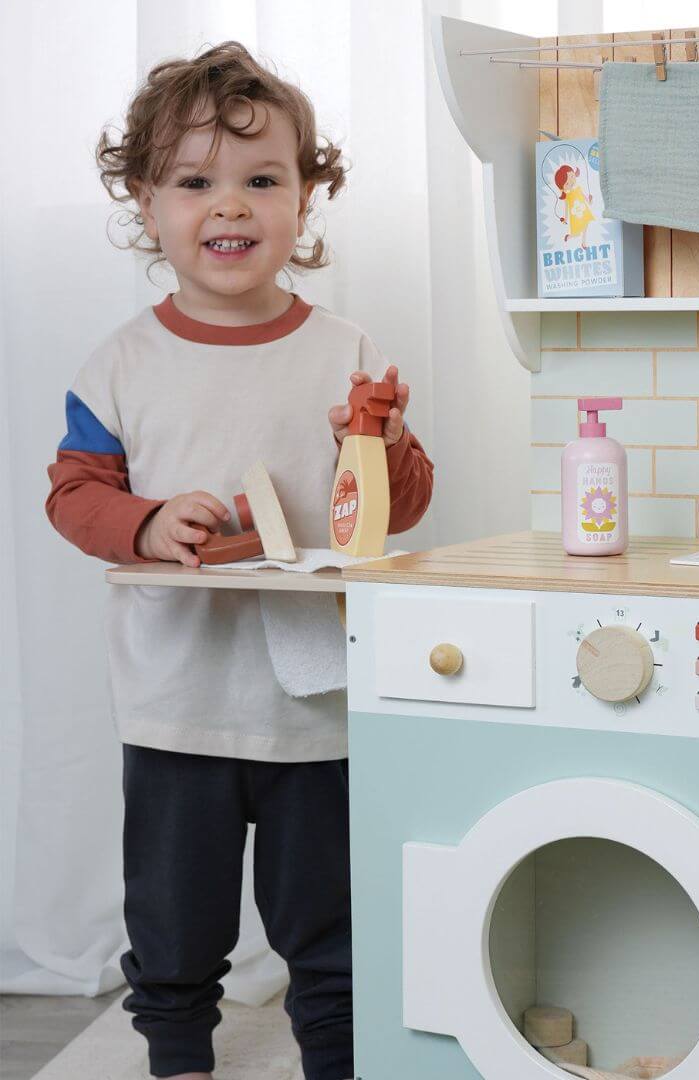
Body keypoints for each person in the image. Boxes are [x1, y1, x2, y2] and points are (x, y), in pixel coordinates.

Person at [44, 41, 434, 1080]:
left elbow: (401, 505)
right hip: (177, 701)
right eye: (195, 180)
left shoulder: (345, 350)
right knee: (174, 926)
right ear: (146, 199)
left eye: (263, 179)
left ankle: (338, 1060)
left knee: (332, 928)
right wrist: (145, 521)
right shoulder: (121, 362)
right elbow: (74, 495)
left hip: (317, 702)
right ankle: (180, 1060)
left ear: (307, 196)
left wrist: (388, 447)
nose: (231, 205)